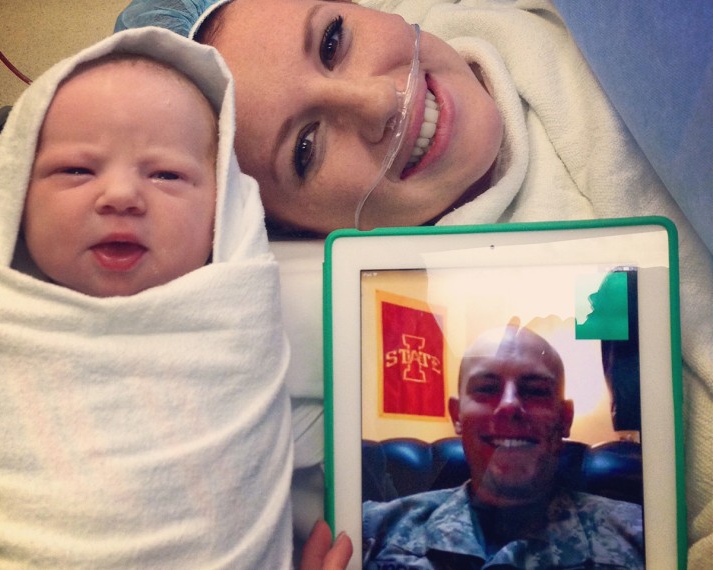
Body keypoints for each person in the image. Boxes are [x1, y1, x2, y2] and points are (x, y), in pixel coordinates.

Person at [114, 1, 713, 566]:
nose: (378, 103)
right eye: (305, 148)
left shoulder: (597, 28)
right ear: (294, 230)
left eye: (332, 40)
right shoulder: (391, 533)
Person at [0, 27, 298, 568]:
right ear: (14, 194)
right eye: (76, 170)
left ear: (222, 208)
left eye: (166, 174)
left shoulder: (234, 320)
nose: (120, 195)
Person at [362, 321, 645, 569]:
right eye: (486, 388)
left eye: (535, 390)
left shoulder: (645, 537)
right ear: (456, 416)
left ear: (565, 419)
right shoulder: (369, 533)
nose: (509, 405)